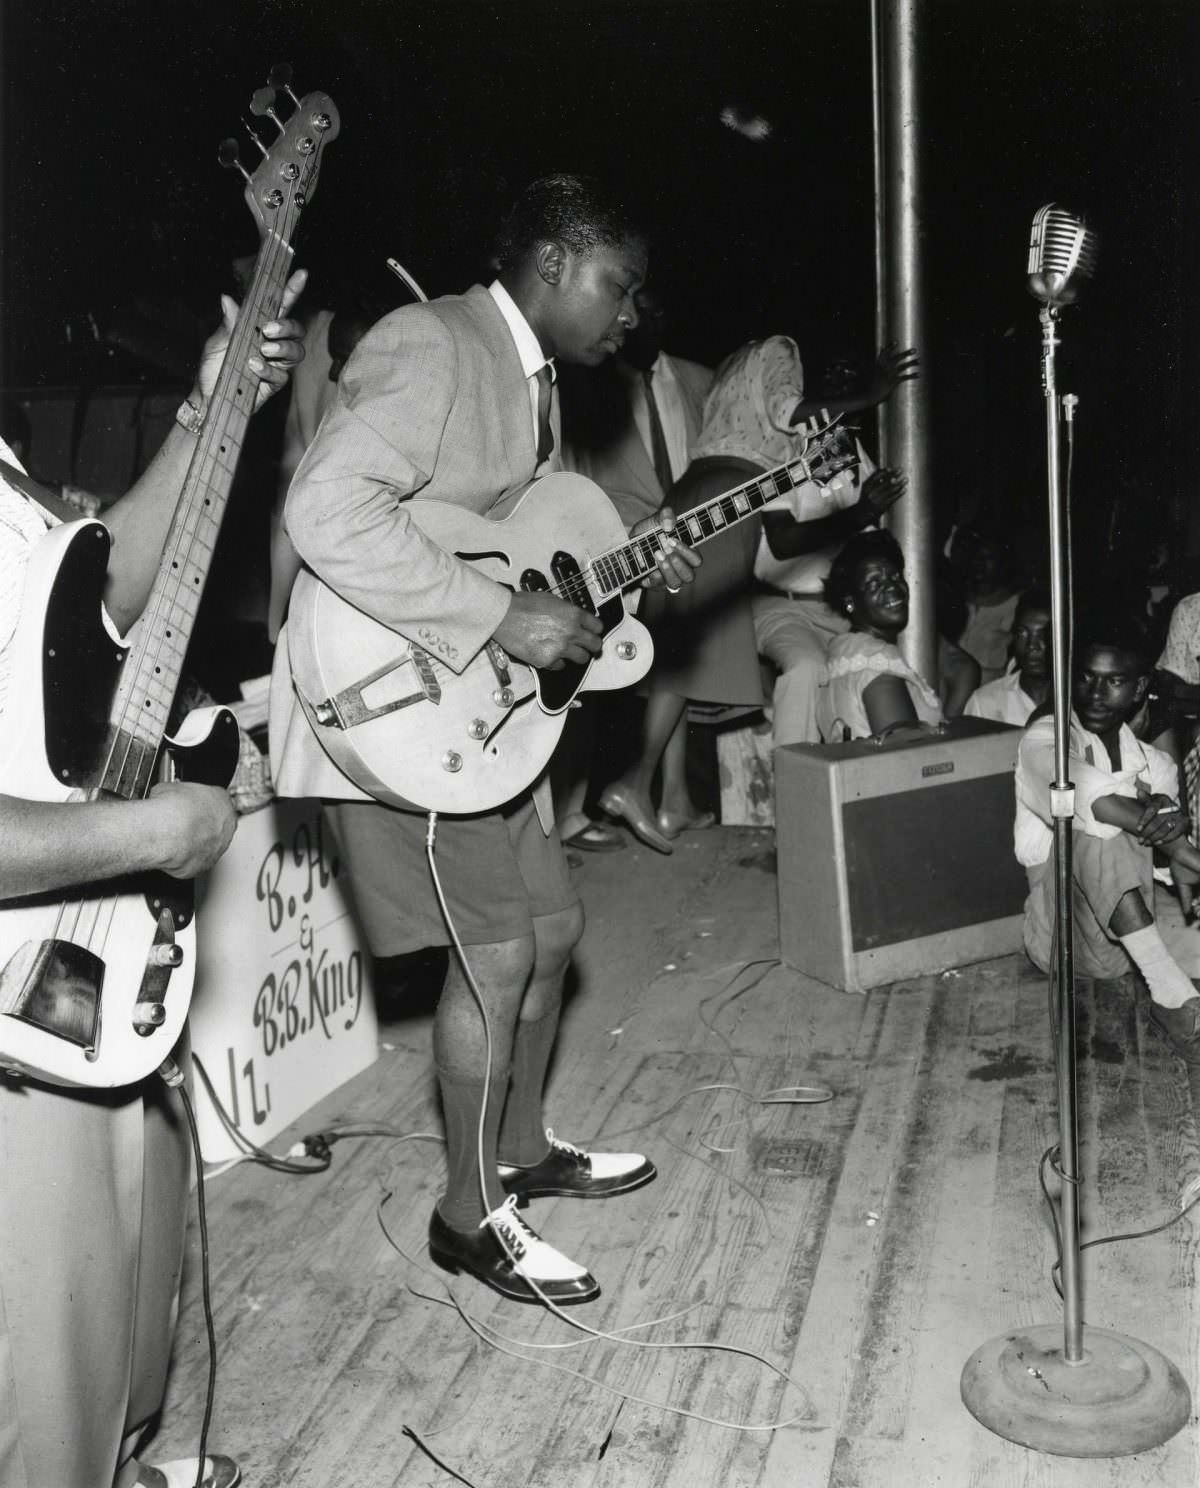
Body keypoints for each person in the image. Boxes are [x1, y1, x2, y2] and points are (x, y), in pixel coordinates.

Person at [270, 175, 699, 1304]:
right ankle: (468, 1217)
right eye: (620, 284)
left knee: (554, 929)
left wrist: (622, 564)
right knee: (497, 953)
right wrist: (501, 615)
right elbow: (325, 510)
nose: (631, 312)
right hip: (396, 705)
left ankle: (513, 1151)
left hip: (480, 710)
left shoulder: (530, 377)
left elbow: (503, 536)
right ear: (554, 262)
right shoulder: (435, 341)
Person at [0, 276, 307, 1488]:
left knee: (122, 1295)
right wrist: (149, 840)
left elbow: (90, 596)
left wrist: (206, 404)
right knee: (41, 1348)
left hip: (70, 948)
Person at [598, 335, 883, 850]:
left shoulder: (732, 360)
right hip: (730, 497)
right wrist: (868, 400)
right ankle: (634, 784)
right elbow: (787, 410)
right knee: (687, 657)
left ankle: (674, 801)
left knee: (680, 650)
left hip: (692, 492)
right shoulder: (782, 349)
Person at [554, 287, 713, 852]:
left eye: (657, 305)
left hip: (676, 545)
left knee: (677, 650)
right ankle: (570, 812)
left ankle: (671, 797)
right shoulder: (590, 383)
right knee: (581, 680)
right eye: (635, 301)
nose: (645, 316)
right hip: (606, 552)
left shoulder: (701, 380)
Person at [1015, 612, 1200, 1059]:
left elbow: (1164, 840)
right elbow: (1089, 801)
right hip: (1063, 936)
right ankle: (1171, 997)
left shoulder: (1156, 764)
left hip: (1129, 937)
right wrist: (1181, 844)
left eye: (1114, 680)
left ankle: (1167, 982)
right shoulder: (1046, 739)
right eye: (1086, 678)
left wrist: (1176, 842)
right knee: (1094, 832)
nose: (1096, 693)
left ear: (1139, 689)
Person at [750, 344, 917, 748]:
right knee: (806, 668)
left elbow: (866, 544)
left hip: (836, 610)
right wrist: (860, 514)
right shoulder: (782, 447)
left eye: (851, 379)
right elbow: (784, 540)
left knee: (882, 668)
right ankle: (795, 795)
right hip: (780, 603)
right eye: (832, 377)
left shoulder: (851, 451)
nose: (842, 387)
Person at [815, 527, 943, 742]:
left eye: (895, 576)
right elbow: (905, 760)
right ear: (850, 602)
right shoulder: (878, 666)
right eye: (874, 583)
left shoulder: (843, 659)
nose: (892, 587)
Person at [964, 586, 1052, 726]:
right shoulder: (984, 703)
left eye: (1043, 635)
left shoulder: (1078, 703)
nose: (1031, 645)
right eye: (1023, 633)